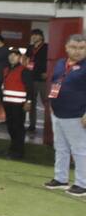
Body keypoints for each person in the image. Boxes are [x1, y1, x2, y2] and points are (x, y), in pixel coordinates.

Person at [44, 34, 86, 197]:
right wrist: (52, 103)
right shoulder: (61, 63)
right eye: (74, 47)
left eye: (82, 48)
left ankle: (82, 184)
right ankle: (60, 179)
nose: (78, 51)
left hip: (77, 115)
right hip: (58, 113)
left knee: (80, 150)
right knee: (60, 148)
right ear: (66, 48)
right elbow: (56, 82)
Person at [0, 49, 33, 160]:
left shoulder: (24, 70)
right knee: (11, 127)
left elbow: (30, 88)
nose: (12, 57)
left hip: (19, 104)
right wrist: (0, 99)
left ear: (19, 57)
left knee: (18, 128)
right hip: (8, 103)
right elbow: (3, 86)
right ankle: (12, 149)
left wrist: (28, 102)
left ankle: (18, 153)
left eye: (14, 55)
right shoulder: (6, 70)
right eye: (10, 55)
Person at [25, 29, 49, 133]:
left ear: (41, 37)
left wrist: (48, 72)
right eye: (32, 35)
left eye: (35, 35)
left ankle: (49, 125)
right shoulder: (30, 47)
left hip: (43, 79)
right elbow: (26, 58)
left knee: (46, 103)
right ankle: (32, 125)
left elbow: (51, 60)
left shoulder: (47, 47)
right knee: (31, 103)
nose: (33, 37)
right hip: (31, 78)